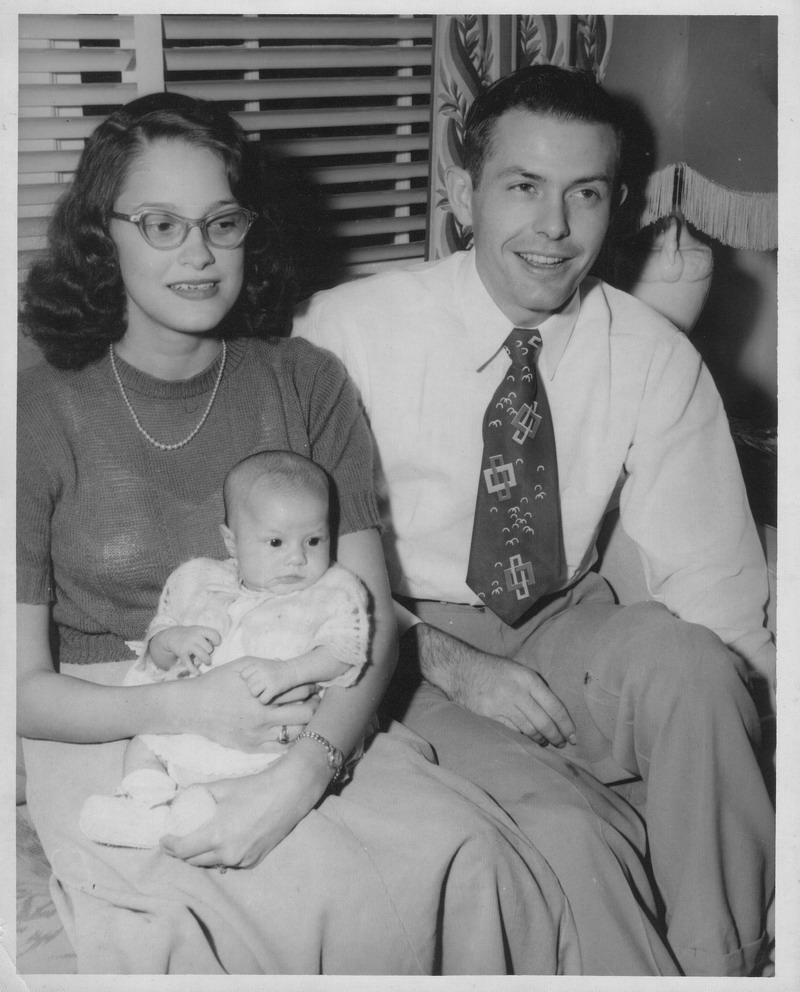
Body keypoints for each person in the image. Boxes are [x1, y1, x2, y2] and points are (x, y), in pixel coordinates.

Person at [16, 90, 680, 976]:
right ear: (105, 233)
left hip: (314, 704)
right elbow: (18, 689)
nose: (200, 255)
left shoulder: (306, 381)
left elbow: (364, 625)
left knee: (471, 855)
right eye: (161, 225)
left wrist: (300, 778)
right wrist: (184, 706)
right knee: (216, 926)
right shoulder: (37, 409)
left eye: (222, 221)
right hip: (118, 727)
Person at [293, 64, 775, 977]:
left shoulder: (653, 354)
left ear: (618, 204)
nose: (553, 229)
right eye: (522, 187)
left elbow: (715, 591)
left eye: (584, 194)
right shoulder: (346, 334)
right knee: (566, 829)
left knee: (701, 672)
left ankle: (729, 967)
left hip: (560, 619)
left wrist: (731, 733)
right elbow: (298, 571)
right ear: (461, 189)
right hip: (400, 642)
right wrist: (452, 662)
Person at [79, 450, 374, 849]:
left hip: (274, 739)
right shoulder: (202, 582)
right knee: (145, 745)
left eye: (314, 540)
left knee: (249, 784)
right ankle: (143, 805)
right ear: (231, 542)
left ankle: (189, 815)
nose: (297, 558)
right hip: (194, 723)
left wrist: (291, 671)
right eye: (275, 541)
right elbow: (156, 652)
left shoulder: (329, 593)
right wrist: (173, 641)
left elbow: (346, 651)